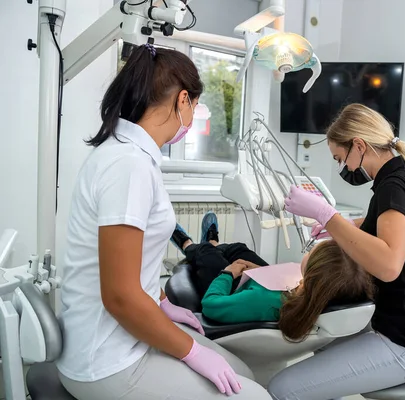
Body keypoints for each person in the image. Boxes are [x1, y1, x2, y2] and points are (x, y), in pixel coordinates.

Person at [56, 44, 270, 400]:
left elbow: (134, 262)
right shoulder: (128, 165)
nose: (194, 115)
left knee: (244, 374)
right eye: (196, 106)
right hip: (107, 359)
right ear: (183, 100)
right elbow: (121, 296)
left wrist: (162, 303)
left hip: (128, 337)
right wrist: (192, 351)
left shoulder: (130, 154)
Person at [268, 103, 405, 399]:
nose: (347, 169)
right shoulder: (399, 180)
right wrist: (345, 225)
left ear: (360, 146)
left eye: (342, 159)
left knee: (283, 388)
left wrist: (328, 216)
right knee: (322, 346)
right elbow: (385, 224)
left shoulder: (394, 187)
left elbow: (390, 265)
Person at [170, 213, 375, 342]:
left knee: (206, 253)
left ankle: (189, 244)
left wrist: (227, 274)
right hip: (263, 283)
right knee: (239, 249)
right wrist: (258, 271)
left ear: (312, 273)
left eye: (311, 253)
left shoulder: (262, 301)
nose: (308, 252)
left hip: (233, 288)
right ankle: (213, 244)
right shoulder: (317, 291)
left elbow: (211, 304)